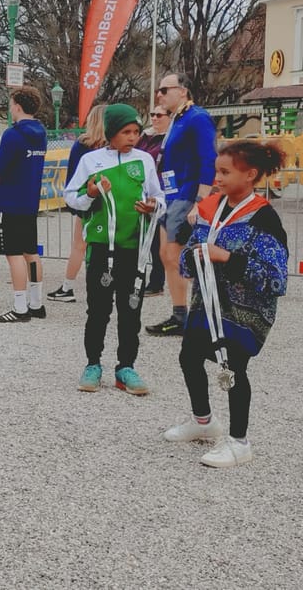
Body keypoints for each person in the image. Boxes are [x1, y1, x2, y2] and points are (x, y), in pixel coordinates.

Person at [163, 140, 288, 468]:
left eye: (224, 172)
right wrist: (193, 257)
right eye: (216, 170)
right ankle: (203, 422)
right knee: (189, 356)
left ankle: (239, 441)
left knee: (235, 367)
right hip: (207, 304)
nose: (216, 178)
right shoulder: (209, 209)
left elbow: (275, 278)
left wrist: (226, 257)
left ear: (251, 175)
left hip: (244, 312)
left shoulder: (264, 218)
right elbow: (189, 256)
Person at [63, 104, 164, 395]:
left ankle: (126, 367)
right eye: (126, 132)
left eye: (135, 131)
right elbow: (71, 196)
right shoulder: (91, 160)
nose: (132, 137)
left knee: (131, 310)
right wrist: (91, 193)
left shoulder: (144, 160)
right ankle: (93, 364)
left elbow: (158, 196)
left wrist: (154, 206)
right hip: (101, 249)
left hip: (136, 248)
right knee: (98, 309)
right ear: (110, 133)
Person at [147, 72, 217, 337]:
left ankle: (195, 315)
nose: (159, 95)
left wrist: (201, 201)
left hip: (186, 196)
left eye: (165, 90)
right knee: (167, 255)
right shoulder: (178, 119)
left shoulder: (197, 118)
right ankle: (181, 315)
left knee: (179, 257)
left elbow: (208, 159)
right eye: (159, 90)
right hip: (172, 196)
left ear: (183, 91)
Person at [0, 86, 48, 323]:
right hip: (30, 201)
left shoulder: (12, 134)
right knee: (31, 253)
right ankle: (36, 303)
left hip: (10, 201)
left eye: (11, 104)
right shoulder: (41, 132)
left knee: (14, 254)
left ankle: (20, 308)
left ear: (17, 106)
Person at [49, 105, 107, 302]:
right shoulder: (114, 147)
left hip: (86, 200)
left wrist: (73, 202)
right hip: (109, 201)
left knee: (79, 245)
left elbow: (72, 174)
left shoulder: (82, 145)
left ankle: (68, 286)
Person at [136, 105, 172, 295]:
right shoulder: (144, 137)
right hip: (142, 191)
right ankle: (138, 278)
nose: (155, 118)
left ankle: (157, 281)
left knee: (158, 241)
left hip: (161, 192)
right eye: (152, 115)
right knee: (144, 240)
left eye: (159, 115)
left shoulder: (171, 139)